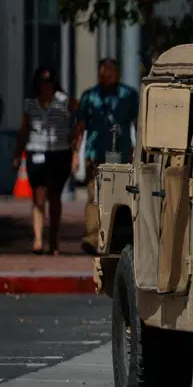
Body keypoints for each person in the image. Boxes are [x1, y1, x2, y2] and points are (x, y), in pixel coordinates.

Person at [74, 58, 141, 254]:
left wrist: (138, 149)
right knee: (95, 197)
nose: (106, 76)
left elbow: (138, 123)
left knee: (121, 197)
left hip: (122, 156)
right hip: (96, 155)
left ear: (117, 73)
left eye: (110, 72)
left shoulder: (128, 95)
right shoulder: (90, 96)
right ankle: (93, 238)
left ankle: (116, 238)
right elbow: (80, 126)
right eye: (103, 73)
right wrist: (74, 154)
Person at [11, 66, 77, 255]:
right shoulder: (30, 104)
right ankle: (38, 239)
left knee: (55, 197)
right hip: (36, 152)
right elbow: (24, 130)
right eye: (42, 82)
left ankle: (54, 240)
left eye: (49, 82)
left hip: (59, 153)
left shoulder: (64, 102)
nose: (46, 86)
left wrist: (75, 144)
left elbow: (80, 118)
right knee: (38, 197)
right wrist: (17, 154)